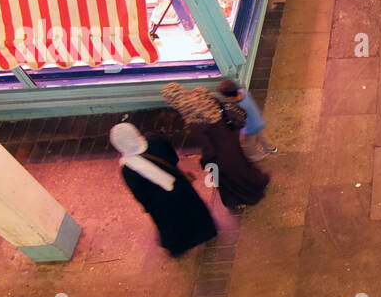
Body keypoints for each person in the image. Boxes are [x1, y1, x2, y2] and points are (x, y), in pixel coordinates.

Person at [109, 122, 217, 257]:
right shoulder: (154, 139)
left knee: (171, 225)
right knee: (193, 209)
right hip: (179, 184)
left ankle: (181, 246)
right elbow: (173, 157)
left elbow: (140, 194)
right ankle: (206, 231)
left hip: (160, 202)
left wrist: (147, 207)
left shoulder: (128, 169)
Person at [161, 83, 269, 211]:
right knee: (241, 166)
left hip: (221, 154)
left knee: (232, 178)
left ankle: (247, 196)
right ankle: (257, 183)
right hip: (230, 138)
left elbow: (209, 150)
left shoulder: (193, 120)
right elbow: (220, 107)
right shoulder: (201, 93)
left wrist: (205, 162)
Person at [218, 78, 277, 162]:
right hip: (258, 121)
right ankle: (271, 148)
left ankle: (253, 156)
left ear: (230, 96)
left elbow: (240, 119)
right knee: (262, 136)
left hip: (251, 128)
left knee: (249, 145)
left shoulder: (239, 106)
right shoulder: (243, 91)